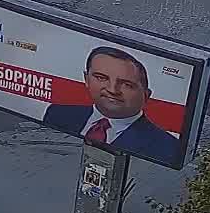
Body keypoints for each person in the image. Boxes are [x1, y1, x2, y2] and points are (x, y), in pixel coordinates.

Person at [41, 46, 178, 163]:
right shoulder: (57, 114)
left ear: (146, 95)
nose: (112, 90)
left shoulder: (168, 147)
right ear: (86, 79)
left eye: (126, 84)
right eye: (101, 78)